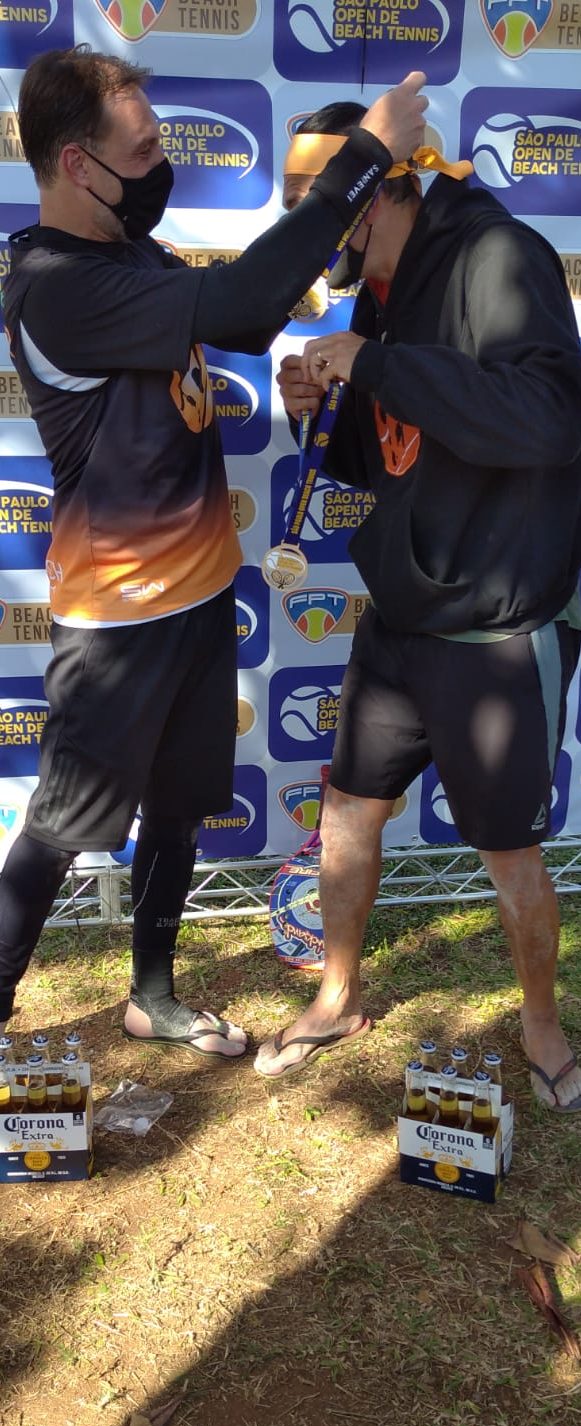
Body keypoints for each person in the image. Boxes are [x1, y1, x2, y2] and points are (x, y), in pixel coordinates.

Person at [0, 48, 429, 1057]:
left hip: (198, 591)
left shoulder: (130, 252)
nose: (162, 166)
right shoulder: (54, 285)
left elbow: (238, 306)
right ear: (76, 164)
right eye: (142, 151)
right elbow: (236, 307)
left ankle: (151, 996)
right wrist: (364, 157)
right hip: (119, 614)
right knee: (61, 826)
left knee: (181, 808)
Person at [255, 142, 581, 1112]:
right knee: (348, 815)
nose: (314, 237)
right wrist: (322, 413)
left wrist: (378, 364)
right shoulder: (379, 295)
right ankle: (336, 996)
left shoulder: (497, 255)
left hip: (493, 632)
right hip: (398, 616)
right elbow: (384, 457)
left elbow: (546, 421)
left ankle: (540, 1023)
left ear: (374, 196)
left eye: (322, 210)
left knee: (509, 855)